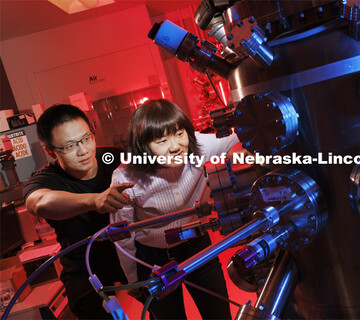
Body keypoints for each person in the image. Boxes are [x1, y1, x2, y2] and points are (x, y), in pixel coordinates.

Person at [111, 99, 237, 319]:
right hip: (153, 260)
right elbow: (123, 235)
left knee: (219, 314)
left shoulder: (197, 146)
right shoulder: (126, 176)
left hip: (198, 246)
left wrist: (238, 153)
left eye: (179, 134)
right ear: (143, 146)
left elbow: (239, 138)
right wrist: (134, 280)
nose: (175, 146)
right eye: (162, 140)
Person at [23, 104, 130, 319]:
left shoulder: (115, 157)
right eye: (70, 146)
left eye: (86, 138)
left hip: (131, 252)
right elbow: (38, 201)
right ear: (50, 151)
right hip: (85, 265)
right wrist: (94, 200)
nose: (83, 151)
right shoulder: (45, 179)